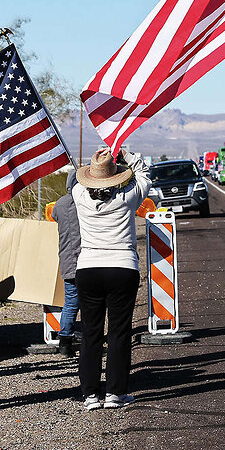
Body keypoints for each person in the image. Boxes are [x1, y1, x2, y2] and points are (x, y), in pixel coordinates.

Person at [72, 148, 151, 410]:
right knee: (119, 331)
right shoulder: (128, 197)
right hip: (122, 268)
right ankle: (115, 393)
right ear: (116, 178)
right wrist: (124, 153)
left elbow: (76, 179)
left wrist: (94, 166)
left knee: (91, 332)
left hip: (88, 269)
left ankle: (91, 395)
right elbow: (144, 174)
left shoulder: (79, 196)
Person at [54, 170, 82, 358]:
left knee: (70, 302)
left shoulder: (59, 204)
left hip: (66, 259)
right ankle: (91, 338)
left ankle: (65, 341)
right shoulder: (85, 203)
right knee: (90, 302)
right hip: (86, 260)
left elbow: (56, 218)